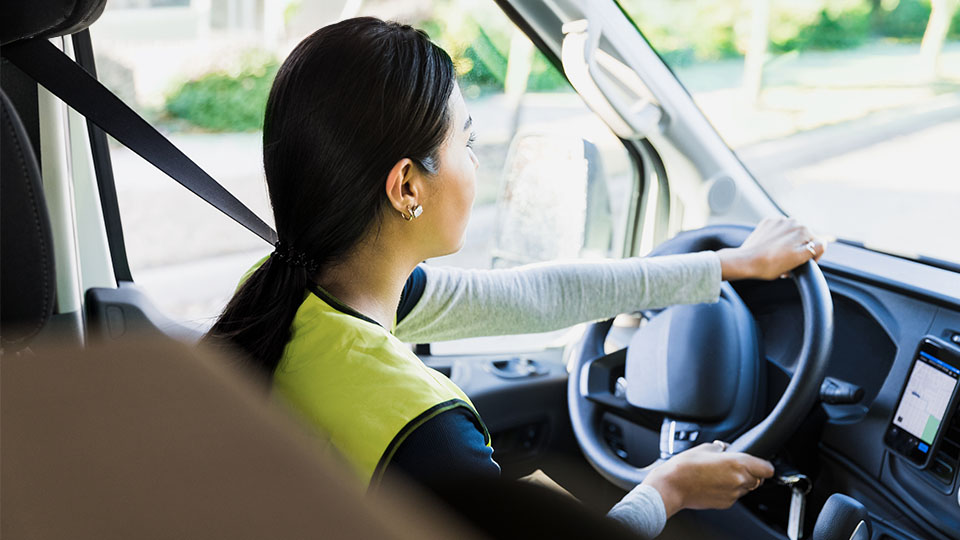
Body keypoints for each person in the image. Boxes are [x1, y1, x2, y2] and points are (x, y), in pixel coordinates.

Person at [204, 16, 825, 539]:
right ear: (406, 186)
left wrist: (729, 265)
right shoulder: (424, 431)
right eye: (466, 144)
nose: (477, 165)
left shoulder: (282, 291)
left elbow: (532, 296)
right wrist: (667, 489)